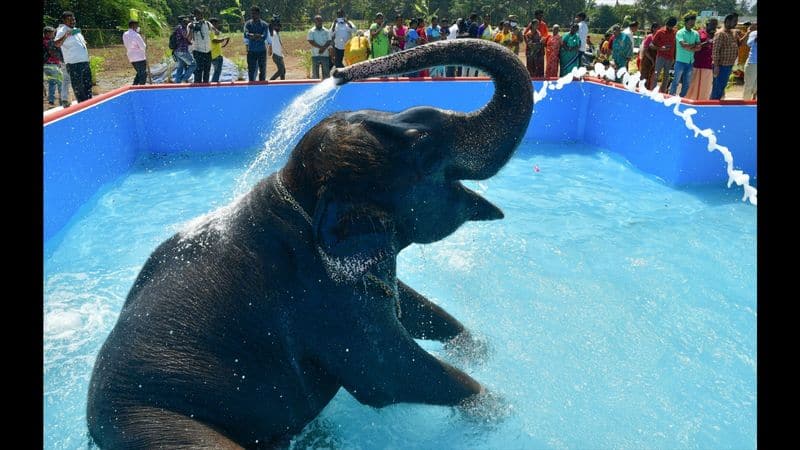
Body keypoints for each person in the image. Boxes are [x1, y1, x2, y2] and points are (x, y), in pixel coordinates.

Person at [54, 11, 92, 103]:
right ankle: (83, 105)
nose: (72, 21)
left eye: (73, 19)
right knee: (79, 87)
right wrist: (66, 35)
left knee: (87, 84)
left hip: (84, 62)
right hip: (74, 63)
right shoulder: (62, 29)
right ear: (64, 21)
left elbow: (82, 45)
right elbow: (57, 43)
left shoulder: (75, 30)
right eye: (69, 20)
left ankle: (89, 103)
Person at [669, 14, 701, 97]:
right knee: (676, 81)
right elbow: (683, 45)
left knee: (687, 83)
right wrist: (693, 46)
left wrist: (689, 47)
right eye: (691, 23)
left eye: (693, 23)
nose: (692, 24)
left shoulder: (695, 33)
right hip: (680, 61)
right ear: (686, 23)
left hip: (690, 62)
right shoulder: (680, 32)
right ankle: (671, 97)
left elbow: (699, 47)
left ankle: (682, 98)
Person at [685, 18, 716, 100]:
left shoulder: (716, 35)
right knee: (694, 84)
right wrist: (705, 43)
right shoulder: (699, 33)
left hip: (709, 64)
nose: (714, 27)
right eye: (712, 24)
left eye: (715, 25)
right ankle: (691, 100)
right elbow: (693, 45)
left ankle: (703, 101)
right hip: (698, 63)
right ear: (707, 24)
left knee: (706, 85)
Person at [711, 13, 739, 100]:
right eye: (734, 21)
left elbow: (739, 44)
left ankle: (715, 106)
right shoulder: (720, 34)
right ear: (727, 21)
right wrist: (716, 66)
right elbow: (715, 51)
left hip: (728, 65)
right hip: (721, 66)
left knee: (721, 88)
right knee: (717, 89)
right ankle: (712, 108)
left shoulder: (732, 33)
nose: (736, 23)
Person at [650, 16, 678, 93]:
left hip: (670, 58)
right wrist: (660, 48)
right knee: (656, 75)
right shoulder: (660, 32)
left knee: (666, 77)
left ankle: (663, 93)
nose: (670, 28)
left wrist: (674, 58)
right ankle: (653, 92)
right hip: (660, 57)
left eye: (671, 26)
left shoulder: (675, 32)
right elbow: (651, 45)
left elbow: (676, 46)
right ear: (666, 24)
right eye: (669, 26)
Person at [244, 6, 271, 82]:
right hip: (251, 51)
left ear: (259, 14)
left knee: (262, 70)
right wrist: (257, 36)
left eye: (254, 13)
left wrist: (253, 36)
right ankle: (251, 86)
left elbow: (264, 36)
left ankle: (262, 86)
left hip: (261, 51)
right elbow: (246, 34)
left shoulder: (264, 25)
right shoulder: (248, 24)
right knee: (251, 70)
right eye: (252, 13)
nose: (253, 15)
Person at [189, 7, 214, 83]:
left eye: (201, 14)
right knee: (198, 71)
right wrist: (191, 28)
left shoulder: (207, 23)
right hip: (198, 51)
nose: (200, 16)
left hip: (208, 51)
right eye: (198, 14)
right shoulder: (191, 25)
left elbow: (216, 31)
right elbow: (189, 38)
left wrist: (216, 30)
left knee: (207, 71)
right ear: (195, 15)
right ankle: (197, 89)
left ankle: (206, 88)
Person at [122, 19, 148, 85]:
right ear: (134, 26)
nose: (138, 27)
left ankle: (134, 86)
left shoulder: (125, 34)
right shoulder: (136, 35)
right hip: (139, 57)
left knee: (139, 73)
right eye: (137, 26)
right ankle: (142, 88)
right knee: (143, 75)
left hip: (131, 57)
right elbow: (143, 46)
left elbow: (126, 44)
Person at [43, 26, 64, 107]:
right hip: (53, 65)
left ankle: (51, 101)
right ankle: (62, 99)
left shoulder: (44, 41)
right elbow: (56, 51)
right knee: (60, 83)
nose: (53, 35)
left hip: (46, 66)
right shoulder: (49, 42)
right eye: (52, 33)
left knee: (52, 83)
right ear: (47, 33)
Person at [171, 16, 196, 83]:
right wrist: (190, 29)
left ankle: (177, 82)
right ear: (182, 21)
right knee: (193, 65)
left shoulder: (178, 28)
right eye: (186, 20)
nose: (187, 21)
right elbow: (187, 37)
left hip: (178, 51)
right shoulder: (181, 28)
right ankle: (183, 79)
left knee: (180, 67)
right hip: (182, 51)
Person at [307, 15, 331, 79]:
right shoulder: (311, 31)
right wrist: (321, 48)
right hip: (315, 55)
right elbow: (311, 41)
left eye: (321, 20)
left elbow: (329, 41)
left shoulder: (326, 31)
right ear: (315, 22)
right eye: (318, 21)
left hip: (325, 55)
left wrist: (323, 48)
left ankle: (326, 87)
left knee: (326, 74)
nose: (320, 22)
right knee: (315, 75)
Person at [208, 17, 230, 83]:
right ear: (213, 24)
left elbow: (219, 36)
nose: (217, 25)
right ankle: (214, 83)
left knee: (216, 71)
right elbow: (215, 40)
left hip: (214, 54)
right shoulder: (210, 32)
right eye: (216, 24)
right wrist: (224, 39)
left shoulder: (214, 32)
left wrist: (224, 39)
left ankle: (213, 82)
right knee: (217, 71)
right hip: (215, 55)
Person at [638, 23, 659, 90]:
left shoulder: (659, 38)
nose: (658, 30)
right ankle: (640, 88)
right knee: (644, 75)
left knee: (651, 75)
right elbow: (645, 49)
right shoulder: (650, 37)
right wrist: (651, 59)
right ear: (653, 29)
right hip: (647, 59)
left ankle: (647, 89)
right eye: (657, 28)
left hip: (655, 59)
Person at [742, 22, 757, 100]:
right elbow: (749, 43)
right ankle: (745, 106)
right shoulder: (754, 33)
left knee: (755, 87)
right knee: (749, 86)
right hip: (753, 63)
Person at [269, 16, 285, 80]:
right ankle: (271, 81)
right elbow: (270, 28)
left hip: (280, 56)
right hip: (276, 56)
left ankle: (282, 84)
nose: (280, 28)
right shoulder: (273, 33)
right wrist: (272, 22)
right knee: (281, 71)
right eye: (278, 26)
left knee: (283, 72)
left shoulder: (277, 34)